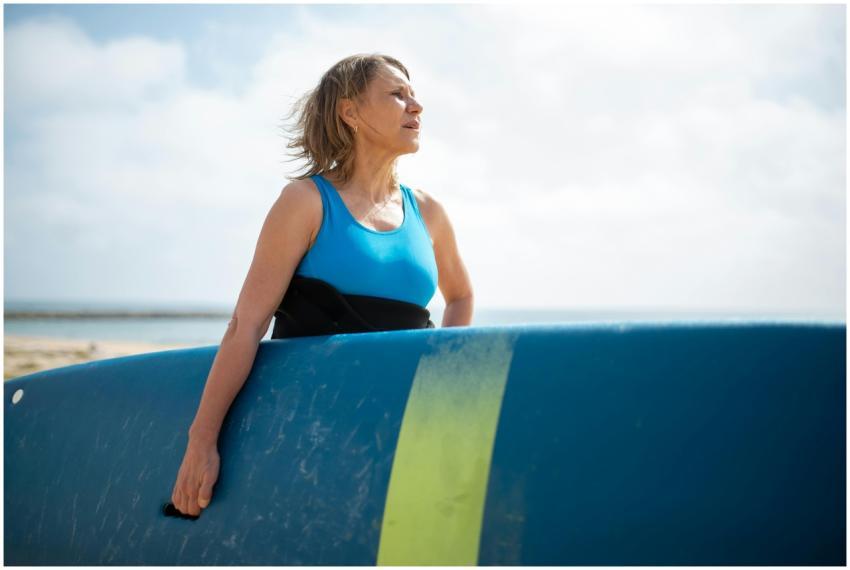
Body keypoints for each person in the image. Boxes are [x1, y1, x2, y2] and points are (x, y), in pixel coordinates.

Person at [170, 53, 474, 517]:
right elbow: (246, 325)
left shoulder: (427, 211)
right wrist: (202, 441)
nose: (416, 106)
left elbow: (461, 296)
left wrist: (442, 377)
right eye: (397, 94)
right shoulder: (305, 202)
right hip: (314, 424)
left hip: (401, 421)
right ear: (350, 112)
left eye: (414, 94)